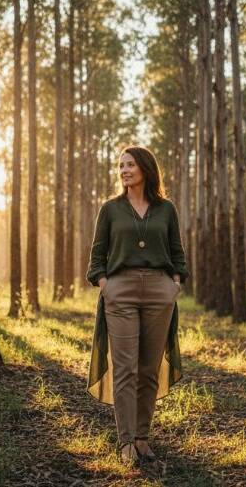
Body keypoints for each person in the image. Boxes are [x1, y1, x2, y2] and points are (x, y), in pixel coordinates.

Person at [85, 145, 189, 466]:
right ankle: (126, 441)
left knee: (148, 369)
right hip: (121, 291)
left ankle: (143, 437)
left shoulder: (166, 209)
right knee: (125, 368)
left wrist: (174, 284)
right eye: (121, 166)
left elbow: (177, 252)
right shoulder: (111, 209)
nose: (124, 170)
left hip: (160, 291)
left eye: (130, 164)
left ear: (145, 168)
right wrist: (107, 286)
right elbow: (96, 257)